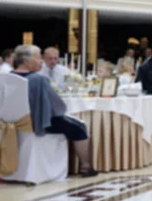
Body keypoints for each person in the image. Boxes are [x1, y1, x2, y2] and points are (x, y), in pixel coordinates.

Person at [11, 45, 98, 177]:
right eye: (38, 57)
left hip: (12, 122)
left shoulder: (7, 77)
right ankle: (85, 166)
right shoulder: (39, 80)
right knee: (80, 127)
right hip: (39, 122)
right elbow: (58, 106)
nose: (41, 61)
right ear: (26, 61)